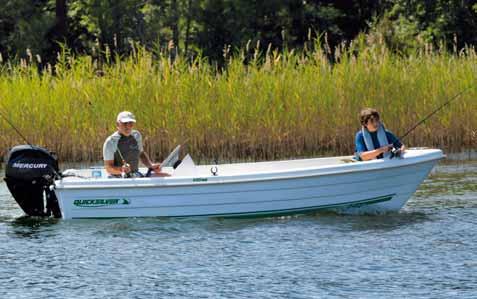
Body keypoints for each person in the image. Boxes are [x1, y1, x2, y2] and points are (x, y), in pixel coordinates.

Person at [103, 111, 169, 177]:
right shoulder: (110, 141)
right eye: (125, 123)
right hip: (118, 178)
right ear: (117, 124)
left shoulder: (136, 135)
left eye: (131, 123)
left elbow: (141, 153)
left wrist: (150, 165)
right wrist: (122, 170)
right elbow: (108, 168)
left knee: (167, 176)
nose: (128, 127)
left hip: (135, 175)